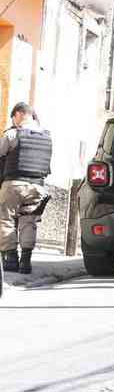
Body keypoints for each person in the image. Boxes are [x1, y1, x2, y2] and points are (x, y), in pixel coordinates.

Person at [0, 103, 52, 275]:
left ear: (20, 114)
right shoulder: (47, 136)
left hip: (14, 184)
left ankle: (11, 258)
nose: (13, 121)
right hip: (37, 186)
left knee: (5, 219)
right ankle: (26, 261)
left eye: (13, 117)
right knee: (28, 222)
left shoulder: (13, 134)